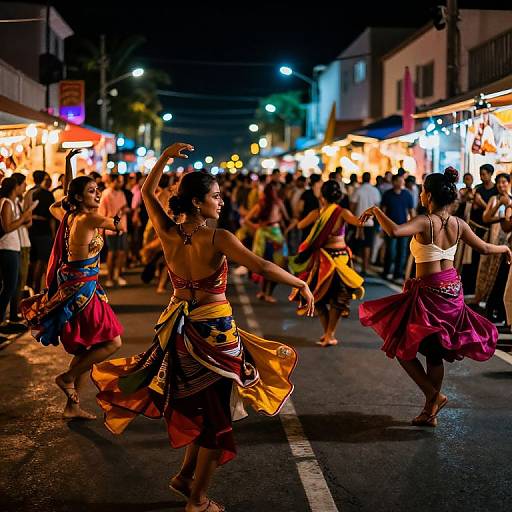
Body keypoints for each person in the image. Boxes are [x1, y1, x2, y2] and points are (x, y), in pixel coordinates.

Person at [91, 143, 314, 512]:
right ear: (197, 202)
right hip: (216, 337)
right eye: (215, 196)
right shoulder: (218, 237)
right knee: (216, 419)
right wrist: (300, 283)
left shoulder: (167, 233)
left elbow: (148, 191)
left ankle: (184, 477)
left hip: (180, 335)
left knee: (207, 410)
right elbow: (261, 266)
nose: (221, 202)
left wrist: (164, 159)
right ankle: (197, 499)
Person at [359, 167, 509, 427]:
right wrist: (505, 247)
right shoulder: (459, 224)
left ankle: (432, 395)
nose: (420, 196)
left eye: (423, 192)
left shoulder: (424, 222)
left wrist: (376, 211)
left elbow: (394, 231)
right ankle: (430, 412)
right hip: (452, 294)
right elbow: (484, 248)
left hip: (429, 294)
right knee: (434, 353)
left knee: (401, 346)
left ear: (429, 195)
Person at [21, 149, 123, 419]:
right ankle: (66, 377)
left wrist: (69, 163)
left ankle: (72, 406)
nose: (98, 194)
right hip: (81, 290)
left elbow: (65, 199)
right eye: (92, 191)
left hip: (81, 287)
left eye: (97, 189)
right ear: (79, 198)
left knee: (89, 347)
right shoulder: (88, 218)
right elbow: (116, 225)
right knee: (113, 342)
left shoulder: (69, 216)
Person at [288, 180, 364, 346]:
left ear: (321, 196)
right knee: (337, 299)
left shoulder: (318, 213)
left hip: (326, 262)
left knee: (318, 298)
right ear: (340, 196)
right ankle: (329, 334)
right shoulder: (342, 212)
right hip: (337, 260)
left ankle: (328, 334)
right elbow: (358, 222)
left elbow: (300, 225)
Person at [0, 177, 34, 343]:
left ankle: (7, 320)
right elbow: (7, 227)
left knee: (11, 286)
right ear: (15, 186)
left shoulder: (13, 203)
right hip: (6, 248)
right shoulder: (6, 202)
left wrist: (26, 216)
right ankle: (2, 322)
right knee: (8, 287)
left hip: (14, 247)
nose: (25, 187)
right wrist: (23, 217)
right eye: (23, 185)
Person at [244, 182, 289, 303]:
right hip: (275, 235)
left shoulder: (261, 204)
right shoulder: (278, 202)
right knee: (277, 266)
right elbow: (286, 217)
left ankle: (263, 292)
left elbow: (246, 219)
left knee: (263, 264)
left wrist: (256, 227)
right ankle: (268, 294)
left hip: (262, 236)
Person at [380, 174, 415, 281]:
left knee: (402, 251)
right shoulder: (387, 194)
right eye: (399, 181)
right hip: (390, 227)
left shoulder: (407, 194)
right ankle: (386, 271)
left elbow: (411, 211)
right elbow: (383, 211)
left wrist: (413, 226)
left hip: (403, 227)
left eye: (402, 181)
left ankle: (398, 274)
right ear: (394, 182)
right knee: (391, 251)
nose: (401, 183)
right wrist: (382, 227)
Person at [98, 173, 129, 287]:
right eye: (119, 181)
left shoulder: (121, 193)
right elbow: (101, 214)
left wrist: (124, 210)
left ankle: (119, 275)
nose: (121, 183)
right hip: (110, 228)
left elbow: (125, 207)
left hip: (122, 226)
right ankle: (110, 278)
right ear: (113, 181)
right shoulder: (105, 194)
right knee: (112, 252)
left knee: (121, 253)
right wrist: (101, 232)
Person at [28, 170, 55, 293]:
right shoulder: (47, 194)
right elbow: (52, 217)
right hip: (44, 231)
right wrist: (54, 233)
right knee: (43, 259)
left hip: (30, 230)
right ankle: (40, 287)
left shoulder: (29, 193)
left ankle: (33, 286)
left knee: (33, 259)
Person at [350, 172, 381, 276]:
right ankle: (365, 268)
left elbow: (352, 206)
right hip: (370, 222)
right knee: (367, 246)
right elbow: (377, 207)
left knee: (356, 245)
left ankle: (353, 267)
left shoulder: (358, 190)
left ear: (362, 178)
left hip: (358, 222)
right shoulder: (375, 191)